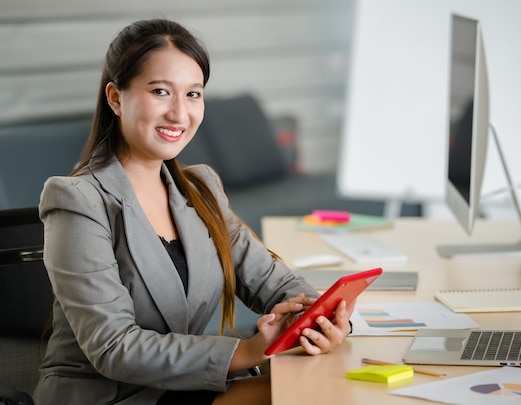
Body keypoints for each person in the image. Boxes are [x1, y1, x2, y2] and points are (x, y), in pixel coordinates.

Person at [33, 18, 353, 405]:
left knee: (323, 387)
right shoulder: (76, 200)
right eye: (161, 91)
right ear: (116, 98)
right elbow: (113, 347)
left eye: (193, 95)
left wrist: (322, 321)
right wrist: (249, 351)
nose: (179, 114)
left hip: (183, 387)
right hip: (109, 397)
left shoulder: (201, 188)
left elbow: (273, 282)